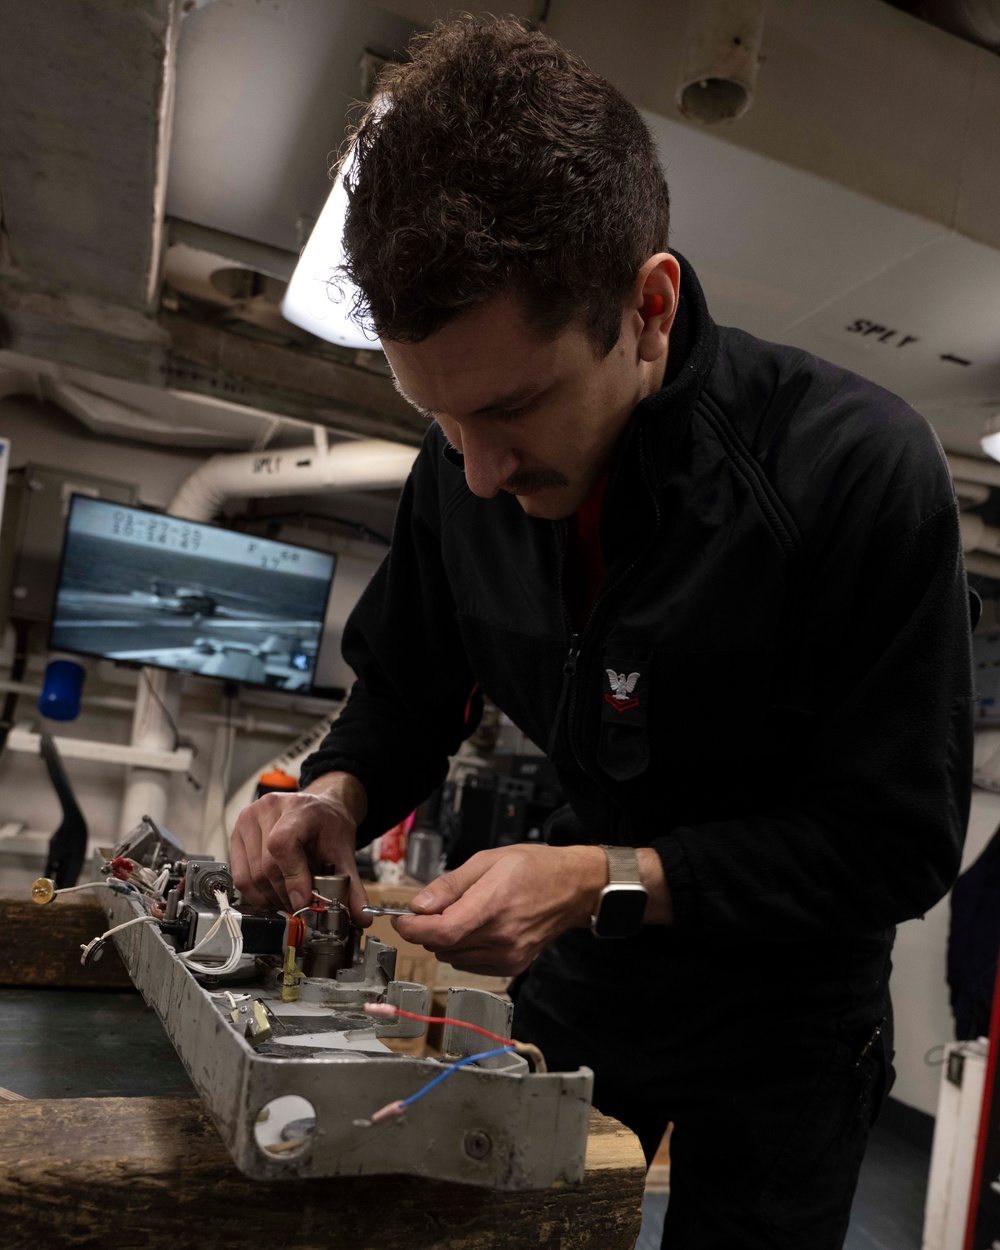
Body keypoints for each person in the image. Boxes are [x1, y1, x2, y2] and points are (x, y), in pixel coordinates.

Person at [231, 16, 973, 1247]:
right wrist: (337, 790)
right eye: (438, 416)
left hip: (790, 1014)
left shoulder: (856, 472)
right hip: (586, 979)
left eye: (513, 408)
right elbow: (408, 686)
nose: (474, 473)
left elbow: (895, 843)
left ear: (647, 308)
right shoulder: (461, 469)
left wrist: (605, 875)